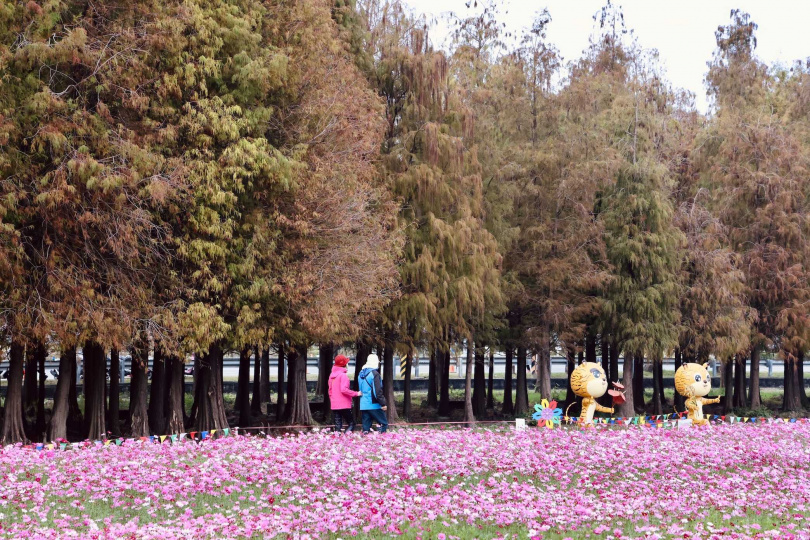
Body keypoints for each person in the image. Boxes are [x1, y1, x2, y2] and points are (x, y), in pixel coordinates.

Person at [328, 354, 362, 434]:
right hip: (344, 404)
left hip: (334, 404)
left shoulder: (331, 376)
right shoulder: (343, 376)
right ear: (344, 364)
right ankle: (346, 439)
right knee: (351, 423)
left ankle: (337, 440)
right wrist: (356, 393)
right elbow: (344, 390)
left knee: (338, 425)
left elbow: (330, 390)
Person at [358, 353, 388, 434]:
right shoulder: (374, 374)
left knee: (366, 428)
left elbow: (361, 389)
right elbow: (377, 391)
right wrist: (383, 403)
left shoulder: (361, 373)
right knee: (383, 424)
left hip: (364, 404)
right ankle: (382, 442)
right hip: (373, 404)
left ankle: (365, 443)